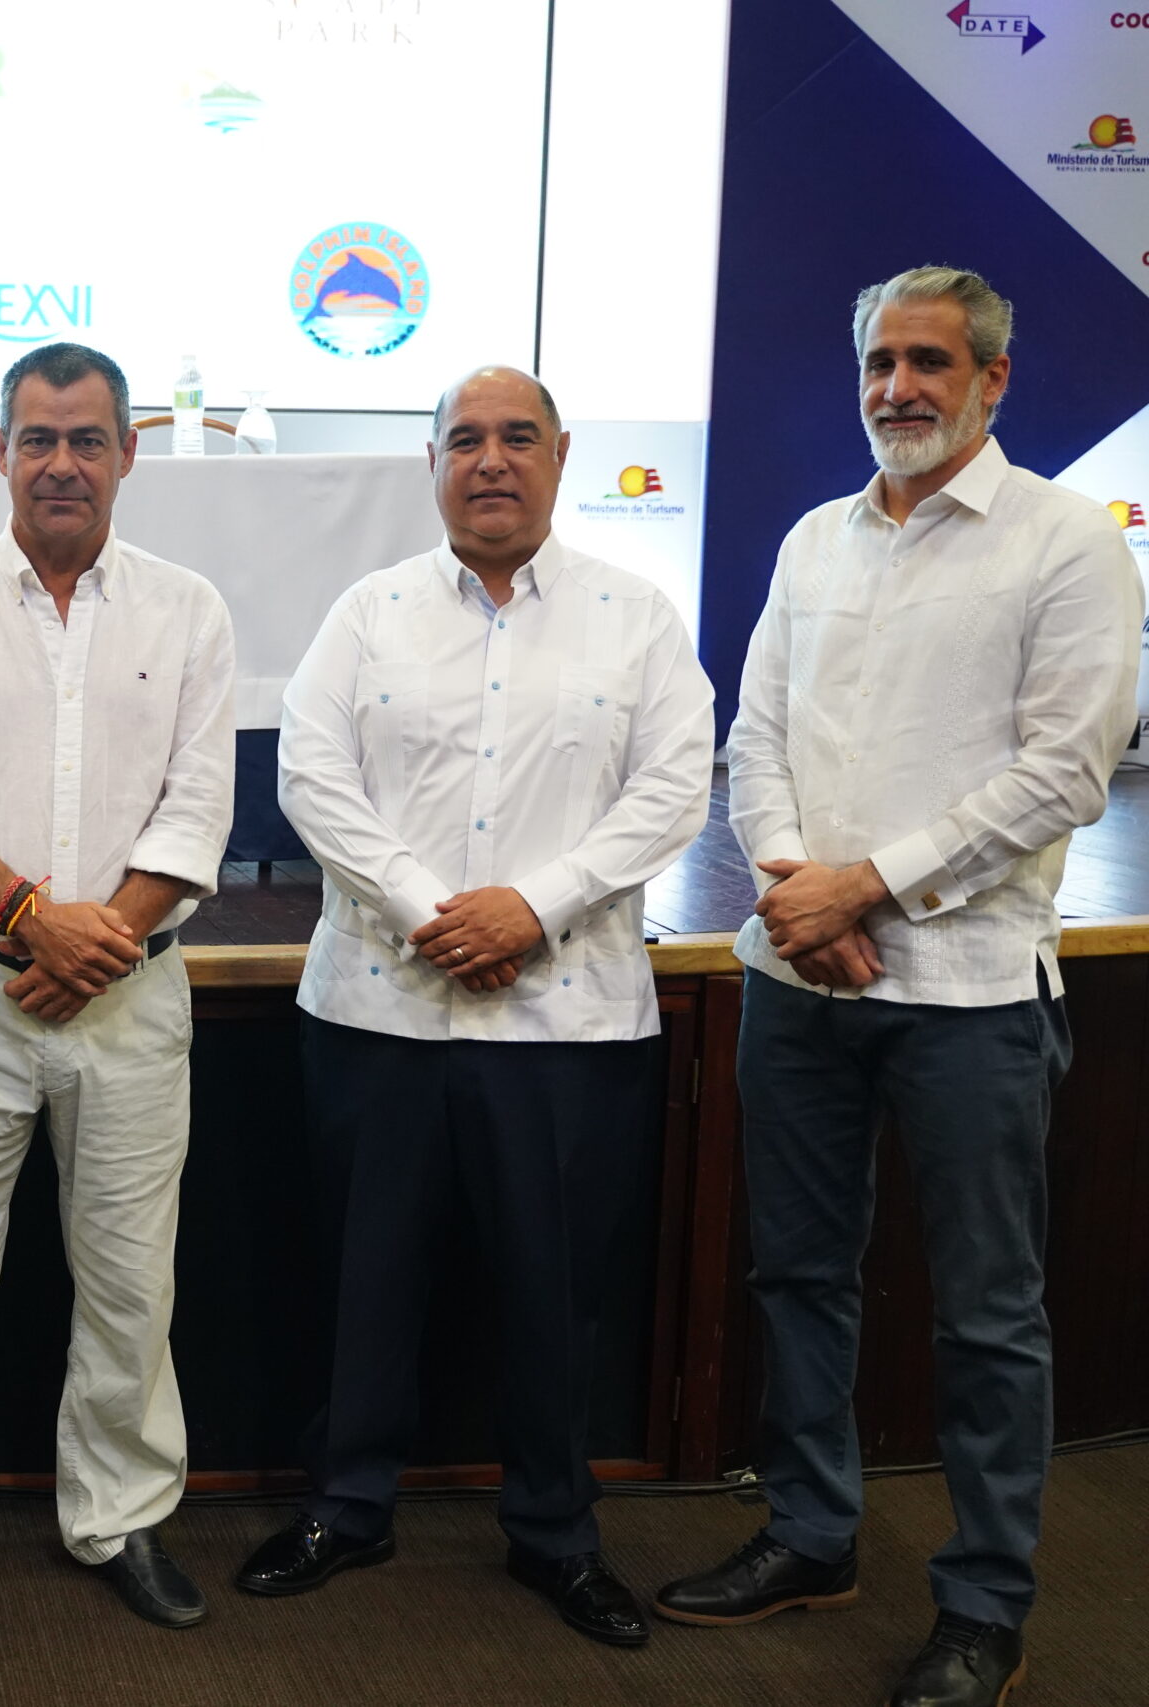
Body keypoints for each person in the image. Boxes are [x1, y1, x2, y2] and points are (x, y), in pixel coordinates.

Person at [656, 268, 1141, 1707]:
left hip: (972, 995)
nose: (898, 388)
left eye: (930, 361)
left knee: (988, 1313)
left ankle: (986, 1604)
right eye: (880, 360)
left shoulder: (1066, 540)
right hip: (801, 980)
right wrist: (798, 888)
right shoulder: (816, 538)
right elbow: (755, 734)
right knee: (798, 1275)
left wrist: (865, 888)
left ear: (994, 379)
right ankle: (811, 1535)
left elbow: (1065, 770)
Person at [251, 366, 713, 1647]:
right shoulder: (369, 612)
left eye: (518, 437)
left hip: (567, 1021)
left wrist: (533, 906)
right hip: (379, 1012)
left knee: (554, 1291)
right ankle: (347, 1507)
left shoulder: (634, 616)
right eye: (465, 439)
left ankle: (556, 1533)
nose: (490, 460)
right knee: (361, 1278)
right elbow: (312, 775)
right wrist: (429, 911)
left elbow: (673, 787)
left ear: (561, 456)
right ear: (433, 464)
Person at [0, 341, 235, 1633]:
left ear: (129, 451)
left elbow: (198, 802)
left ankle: (117, 1515)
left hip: (130, 995)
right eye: (37, 438)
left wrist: (100, 942)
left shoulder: (188, 610)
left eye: (86, 439)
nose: (61, 463)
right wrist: (32, 922)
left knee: (130, 1280)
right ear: (2, 452)